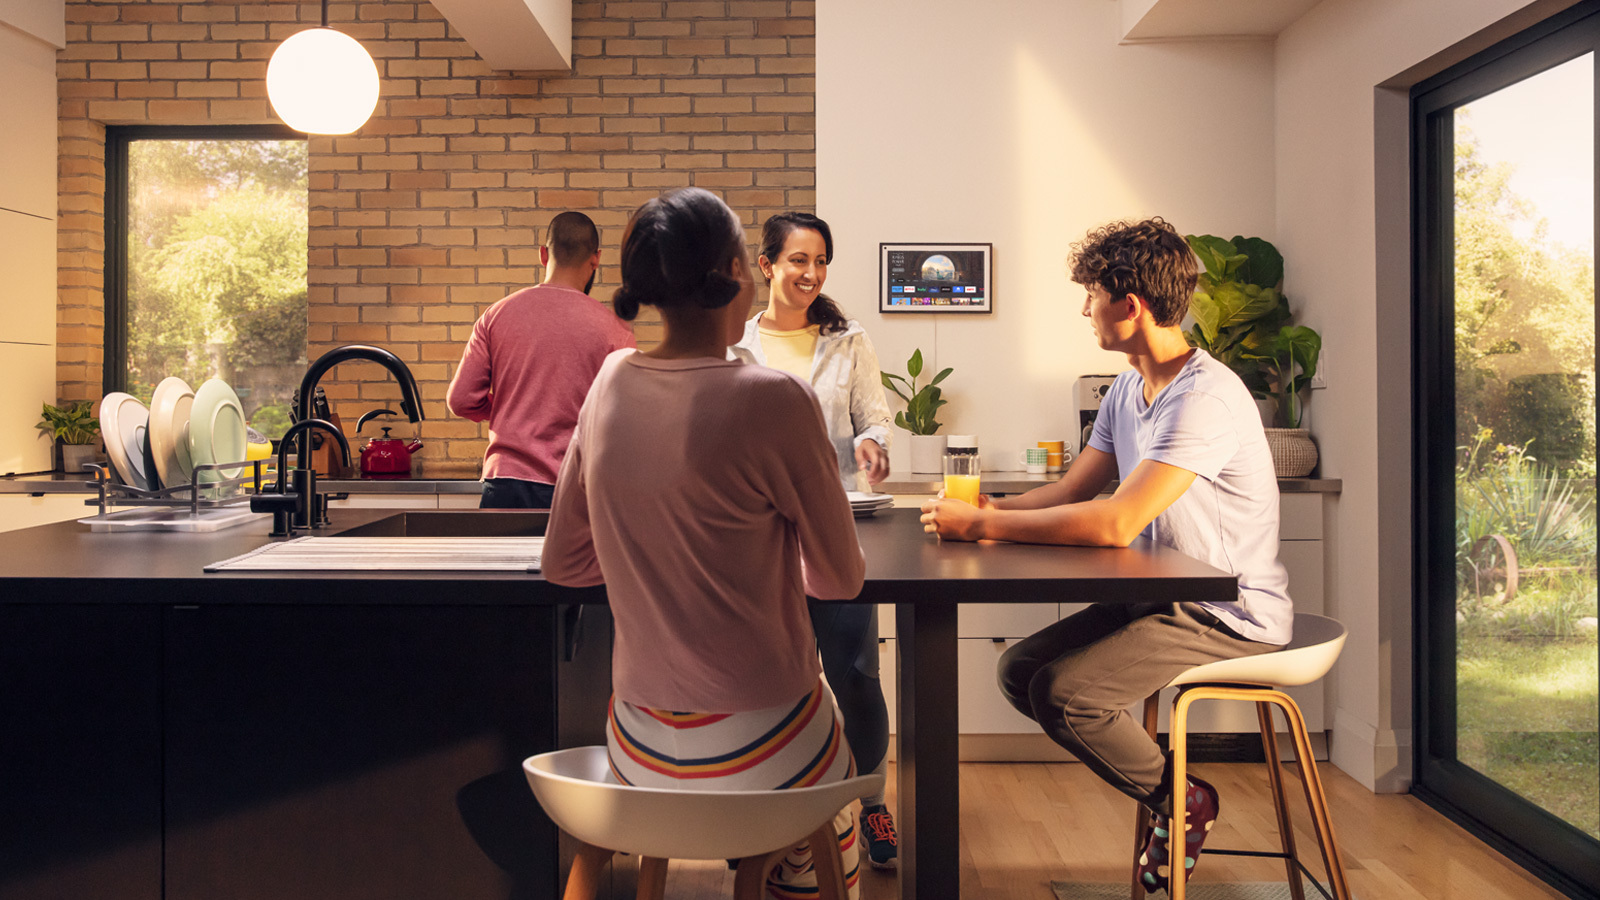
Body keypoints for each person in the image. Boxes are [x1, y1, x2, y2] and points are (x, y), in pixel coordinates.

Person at [919, 217, 1293, 894]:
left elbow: (1116, 521)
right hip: (1160, 595)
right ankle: (1167, 792)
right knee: (1019, 670)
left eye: (1091, 295)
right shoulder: (1128, 386)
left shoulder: (1203, 397)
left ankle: (1182, 801)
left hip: (1223, 608)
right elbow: (1073, 488)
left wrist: (979, 531)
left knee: (1067, 697)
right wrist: (988, 514)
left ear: (1131, 304)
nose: (1085, 309)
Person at [541, 188, 869, 899]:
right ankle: (785, 872)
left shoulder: (608, 385)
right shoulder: (776, 399)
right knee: (828, 820)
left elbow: (564, 562)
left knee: (758, 802)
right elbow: (840, 580)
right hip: (770, 741)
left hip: (643, 752)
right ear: (736, 271)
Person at [729, 212, 901, 869]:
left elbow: (875, 417)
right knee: (768, 676)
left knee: (855, 674)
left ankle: (872, 802)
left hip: (835, 530)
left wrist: (871, 443)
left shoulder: (847, 339)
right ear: (767, 266)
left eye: (820, 261)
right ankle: (772, 811)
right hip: (759, 541)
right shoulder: (738, 347)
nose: (811, 273)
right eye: (798, 260)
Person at [446, 211, 636, 509]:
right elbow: (624, 420)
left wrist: (513, 407)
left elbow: (460, 400)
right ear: (596, 258)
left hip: (506, 484)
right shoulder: (615, 328)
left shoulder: (497, 315)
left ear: (543, 254)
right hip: (577, 488)